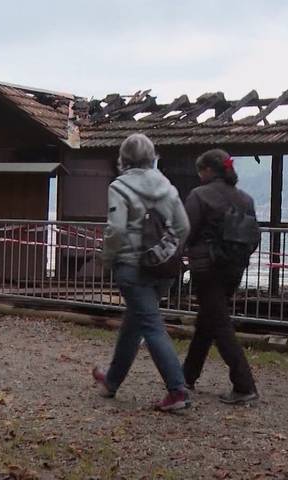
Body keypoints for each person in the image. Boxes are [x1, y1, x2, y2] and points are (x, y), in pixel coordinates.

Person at [92, 133, 192, 412]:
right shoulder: (167, 186)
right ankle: (111, 381)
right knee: (134, 323)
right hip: (162, 269)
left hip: (131, 266)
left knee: (150, 324)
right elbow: (183, 227)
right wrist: (163, 251)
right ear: (153, 156)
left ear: (123, 158)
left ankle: (177, 390)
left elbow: (116, 229)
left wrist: (107, 258)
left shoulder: (120, 187)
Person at [181, 148, 259, 404]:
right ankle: (187, 375)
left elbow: (186, 231)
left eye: (200, 171)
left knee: (220, 324)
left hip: (206, 267)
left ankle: (244, 384)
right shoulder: (245, 199)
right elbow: (253, 236)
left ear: (208, 170)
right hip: (234, 269)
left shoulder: (199, 196)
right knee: (209, 320)